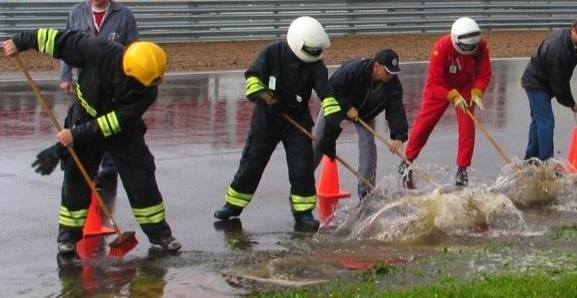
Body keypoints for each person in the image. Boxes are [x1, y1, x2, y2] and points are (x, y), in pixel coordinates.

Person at [4, 29, 180, 255]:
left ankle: (160, 235)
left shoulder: (148, 88)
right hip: (85, 116)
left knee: (141, 176)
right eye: (138, 83)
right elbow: (58, 40)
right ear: (128, 70)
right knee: (77, 176)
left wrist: (74, 136)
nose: (143, 87)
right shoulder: (97, 49)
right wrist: (21, 41)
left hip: (123, 130)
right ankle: (68, 237)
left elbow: (115, 122)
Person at [212, 16, 342, 232]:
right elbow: (252, 80)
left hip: (296, 120)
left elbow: (327, 97)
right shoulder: (272, 54)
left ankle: (303, 214)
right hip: (267, 117)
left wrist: (331, 131)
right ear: (298, 43)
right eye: (311, 49)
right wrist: (267, 100)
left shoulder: (317, 66)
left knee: (302, 167)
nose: (316, 54)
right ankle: (233, 205)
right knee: (252, 163)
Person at [59, 0, 139, 196]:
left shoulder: (124, 16)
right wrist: (65, 76)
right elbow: (66, 45)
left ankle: (109, 170)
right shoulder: (77, 13)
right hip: (85, 83)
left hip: (113, 85)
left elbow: (133, 49)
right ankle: (86, 167)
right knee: (83, 124)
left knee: (108, 125)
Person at [400, 17, 491, 187]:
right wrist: (452, 96)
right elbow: (434, 82)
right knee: (423, 125)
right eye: (466, 47)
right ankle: (408, 160)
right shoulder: (441, 48)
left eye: (473, 47)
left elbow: (484, 74)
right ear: (456, 40)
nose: (470, 50)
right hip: (441, 87)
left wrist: (478, 91)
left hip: (466, 86)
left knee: (467, 128)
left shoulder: (481, 46)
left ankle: (462, 169)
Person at [311, 49, 409, 199]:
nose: (391, 76)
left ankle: (366, 190)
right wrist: (348, 107)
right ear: (377, 66)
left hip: (365, 114)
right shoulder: (355, 69)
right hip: (336, 106)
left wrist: (399, 135)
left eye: (393, 72)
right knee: (319, 143)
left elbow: (396, 110)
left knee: (368, 144)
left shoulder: (393, 85)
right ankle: (303, 181)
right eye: (388, 72)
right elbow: (331, 88)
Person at [521, 16, 577, 162]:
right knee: (547, 122)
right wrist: (570, 102)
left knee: (538, 121)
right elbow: (559, 83)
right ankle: (548, 162)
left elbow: (561, 80)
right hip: (536, 84)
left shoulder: (568, 41)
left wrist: (568, 99)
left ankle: (530, 158)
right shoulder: (559, 50)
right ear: (573, 30)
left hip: (540, 81)